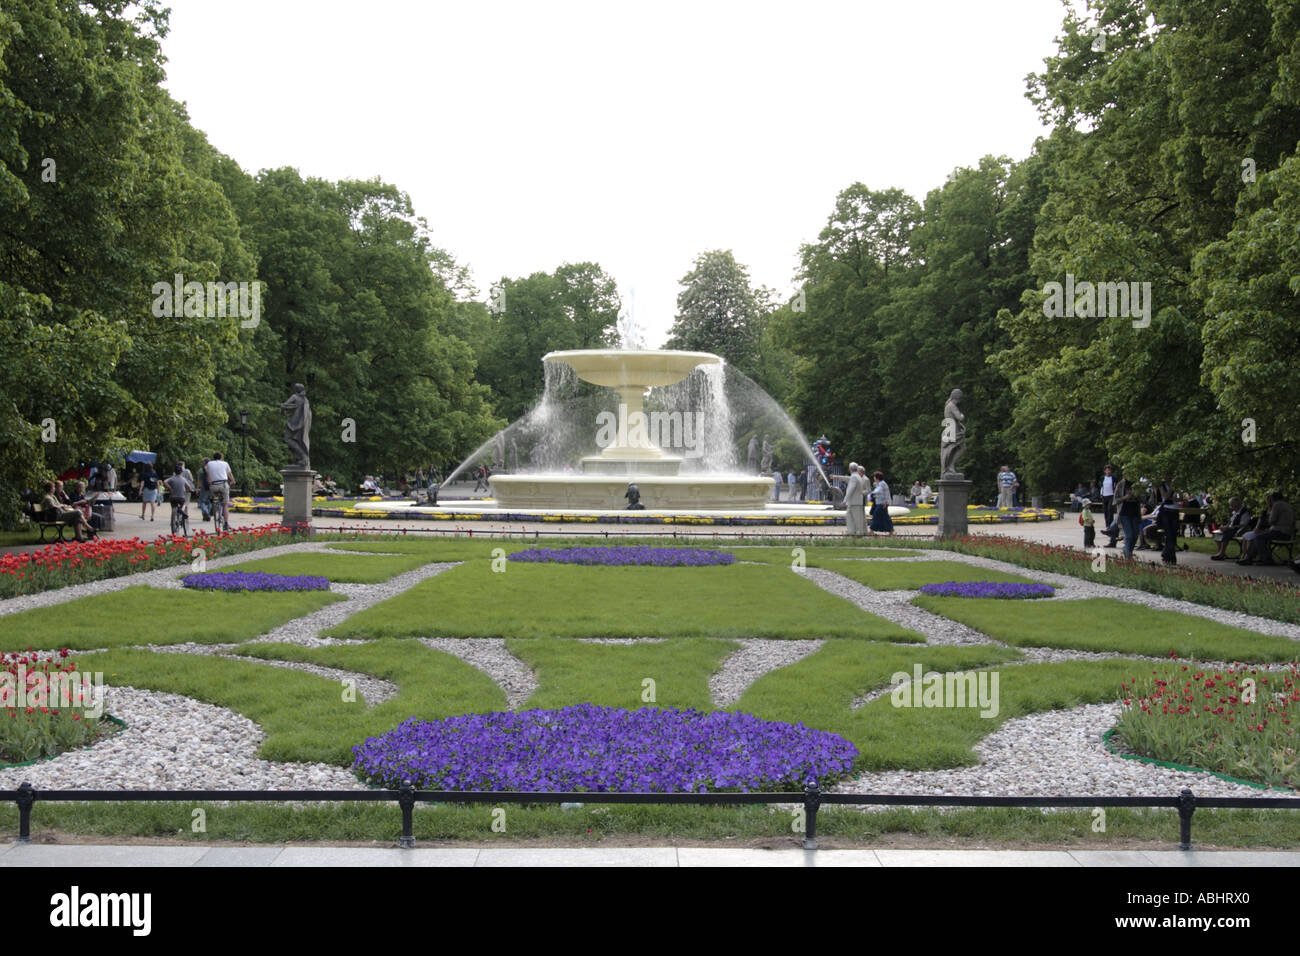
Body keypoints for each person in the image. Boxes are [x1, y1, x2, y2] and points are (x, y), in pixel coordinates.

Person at [1239, 492, 1295, 566]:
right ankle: (1250, 558)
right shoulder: (1287, 505)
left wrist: (1265, 521)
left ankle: (1265, 559)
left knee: (1258, 537)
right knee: (1259, 536)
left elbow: (1272, 520)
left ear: (1273, 498)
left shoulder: (1277, 505)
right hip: (1286, 532)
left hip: (1280, 532)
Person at [205, 453, 235, 532]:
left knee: (214, 498)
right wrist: (232, 480)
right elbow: (229, 474)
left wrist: (210, 484)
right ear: (221, 457)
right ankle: (226, 523)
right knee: (225, 505)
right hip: (223, 484)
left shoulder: (209, 464)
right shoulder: (225, 463)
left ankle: (214, 505)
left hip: (213, 486)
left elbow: (208, 476)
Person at [164, 464, 194, 533]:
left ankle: (174, 517)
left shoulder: (172, 478)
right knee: (184, 504)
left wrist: (170, 488)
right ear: (181, 472)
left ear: (175, 471)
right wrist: (191, 490)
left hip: (173, 498)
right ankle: (181, 510)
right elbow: (189, 487)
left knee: (173, 506)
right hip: (181, 498)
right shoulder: (183, 479)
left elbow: (165, 482)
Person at [1116, 489, 1143, 559]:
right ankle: (1128, 556)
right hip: (1125, 514)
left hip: (1136, 514)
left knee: (1135, 535)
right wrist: (1125, 497)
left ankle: (1127, 550)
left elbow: (1145, 499)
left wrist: (1136, 496)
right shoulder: (1121, 484)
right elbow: (1115, 500)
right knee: (1129, 535)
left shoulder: (1138, 486)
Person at [843, 462, 866, 536]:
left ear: (850, 469)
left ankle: (858, 532)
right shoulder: (857, 476)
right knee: (851, 517)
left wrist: (845, 500)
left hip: (854, 501)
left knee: (855, 518)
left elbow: (851, 489)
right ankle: (851, 531)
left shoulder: (854, 477)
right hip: (855, 501)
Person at [869, 470, 894, 535]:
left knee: (876, 515)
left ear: (877, 477)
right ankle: (891, 531)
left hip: (882, 503)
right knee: (885, 517)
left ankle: (871, 530)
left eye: (874, 476)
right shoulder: (880, 483)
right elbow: (881, 493)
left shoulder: (882, 483)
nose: (873, 478)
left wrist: (872, 493)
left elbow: (878, 491)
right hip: (881, 503)